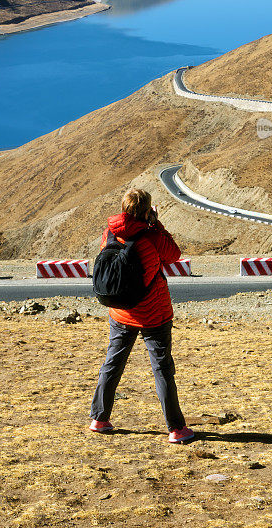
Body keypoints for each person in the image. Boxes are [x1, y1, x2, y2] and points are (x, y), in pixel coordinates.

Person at [89, 188, 194, 443]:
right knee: (162, 369)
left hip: (121, 312)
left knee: (112, 364)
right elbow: (174, 254)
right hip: (153, 313)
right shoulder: (151, 236)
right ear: (147, 211)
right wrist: (157, 224)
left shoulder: (109, 233)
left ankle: (99, 418)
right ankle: (176, 428)